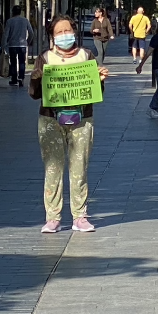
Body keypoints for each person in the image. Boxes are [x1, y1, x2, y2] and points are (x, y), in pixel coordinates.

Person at [29, 14, 109, 233]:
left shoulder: (86, 56)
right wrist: (37, 78)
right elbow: (34, 94)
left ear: (74, 32)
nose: (64, 35)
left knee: (79, 168)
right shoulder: (45, 58)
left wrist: (99, 80)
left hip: (81, 119)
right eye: (59, 32)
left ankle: (80, 216)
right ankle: (52, 217)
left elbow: (95, 92)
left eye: (67, 31)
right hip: (51, 119)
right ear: (52, 36)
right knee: (53, 168)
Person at [3, 6, 33, 86]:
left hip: (12, 45)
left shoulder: (10, 21)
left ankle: (14, 79)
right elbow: (31, 32)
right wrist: (27, 42)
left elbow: (6, 34)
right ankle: (21, 78)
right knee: (22, 62)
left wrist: (4, 44)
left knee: (13, 62)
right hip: (22, 45)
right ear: (20, 12)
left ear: (13, 12)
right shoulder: (25, 21)